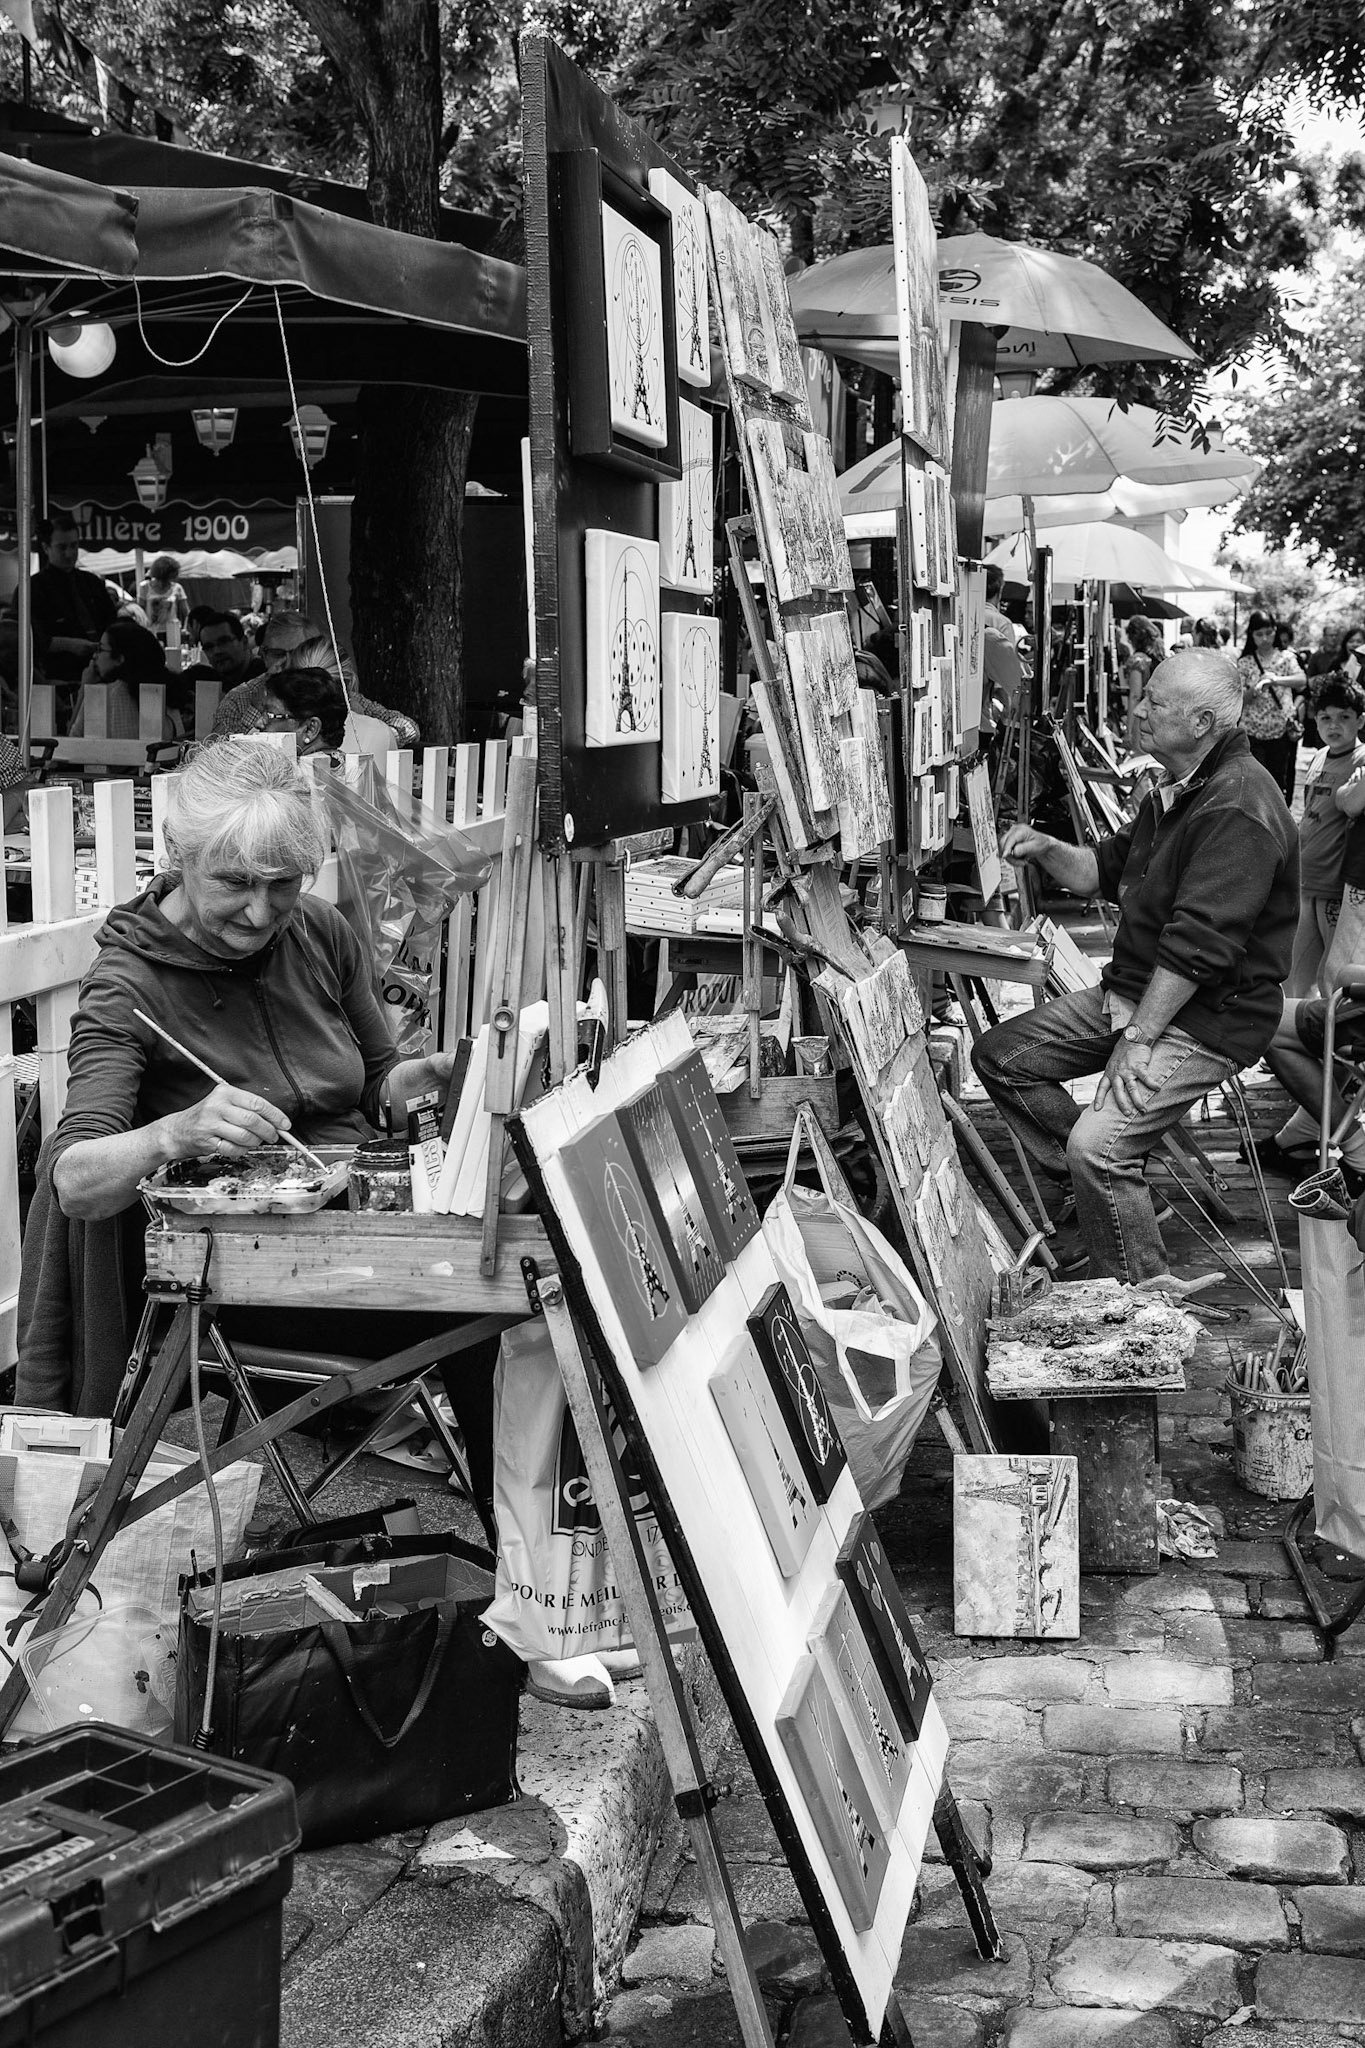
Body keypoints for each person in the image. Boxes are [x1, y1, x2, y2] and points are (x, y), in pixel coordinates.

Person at [15, 741, 498, 1538]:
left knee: (522, 1295)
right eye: (234, 884)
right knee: (494, 1316)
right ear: (178, 858)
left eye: (283, 884)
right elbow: (74, 1181)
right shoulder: (128, 986)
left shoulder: (318, 933)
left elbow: (376, 1084)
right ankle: (535, 1579)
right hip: (244, 1285)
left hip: (357, 1234)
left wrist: (409, 1082)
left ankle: (540, 1575)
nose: (260, 911)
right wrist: (175, 1131)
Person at [971, 650, 1298, 1284]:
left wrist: (1140, 1037)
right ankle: (1113, 1195)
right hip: (1137, 991)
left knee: (1099, 1148)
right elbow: (1101, 867)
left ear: (1202, 722)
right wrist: (1044, 848)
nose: (1139, 710)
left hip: (1205, 1014)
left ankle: (1142, 1301)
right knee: (1002, 1057)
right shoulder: (1175, 787)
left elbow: (1199, 947)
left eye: (1156, 701)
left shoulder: (1236, 802)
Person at [211, 613, 420, 747]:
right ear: (263, 654)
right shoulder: (240, 698)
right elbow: (216, 753)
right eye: (276, 653)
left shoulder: (331, 692)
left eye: (294, 654)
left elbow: (407, 727)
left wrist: (364, 734)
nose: (285, 664)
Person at [1281, 676, 1365, 999]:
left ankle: (1331, 1045)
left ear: (1360, 720)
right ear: (1315, 720)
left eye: (1344, 717)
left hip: (1335, 888)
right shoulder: (1318, 757)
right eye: (1326, 718)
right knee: (1294, 976)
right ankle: (1298, 1038)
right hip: (1306, 880)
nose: (1334, 726)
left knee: (1334, 980)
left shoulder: (1360, 760)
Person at [29, 514, 117, 691]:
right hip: (57, 680)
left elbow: (112, 623)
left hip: (101, 676)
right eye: (62, 547)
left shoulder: (92, 582)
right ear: (46, 548)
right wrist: (69, 645)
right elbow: (27, 639)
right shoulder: (33, 588)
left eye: (74, 546)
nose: (69, 553)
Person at [260, 664, 397, 761]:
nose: (259, 723)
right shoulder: (348, 770)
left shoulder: (303, 783)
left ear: (310, 728)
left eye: (270, 715)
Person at [67, 619, 175, 742]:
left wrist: (84, 689)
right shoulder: (168, 692)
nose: (95, 656)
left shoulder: (101, 696)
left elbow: (70, 745)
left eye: (100, 649)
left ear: (119, 659)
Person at [1236, 610, 1303, 801]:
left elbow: (1301, 680)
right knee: (1253, 780)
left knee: (1276, 780)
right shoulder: (1245, 662)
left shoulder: (1286, 658)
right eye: (1259, 634)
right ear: (1252, 635)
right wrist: (1256, 686)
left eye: (1268, 632)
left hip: (1279, 732)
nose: (1265, 638)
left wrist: (1275, 680)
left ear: (1275, 631)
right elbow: (1238, 697)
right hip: (1252, 732)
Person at [1121, 614, 1164, 743]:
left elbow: (1135, 696)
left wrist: (1128, 731)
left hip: (1143, 716)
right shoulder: (1160, 657)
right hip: (1160, 716)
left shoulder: (1138, 660)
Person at [138, 554, 189, 638]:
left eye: (167, 579)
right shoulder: (144, 587)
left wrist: (185, 628)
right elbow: (140, 612)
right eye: (160, 579)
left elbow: (186, 612)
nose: (163, 583)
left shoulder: (177, 588)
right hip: (151, 631)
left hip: (173, 632)